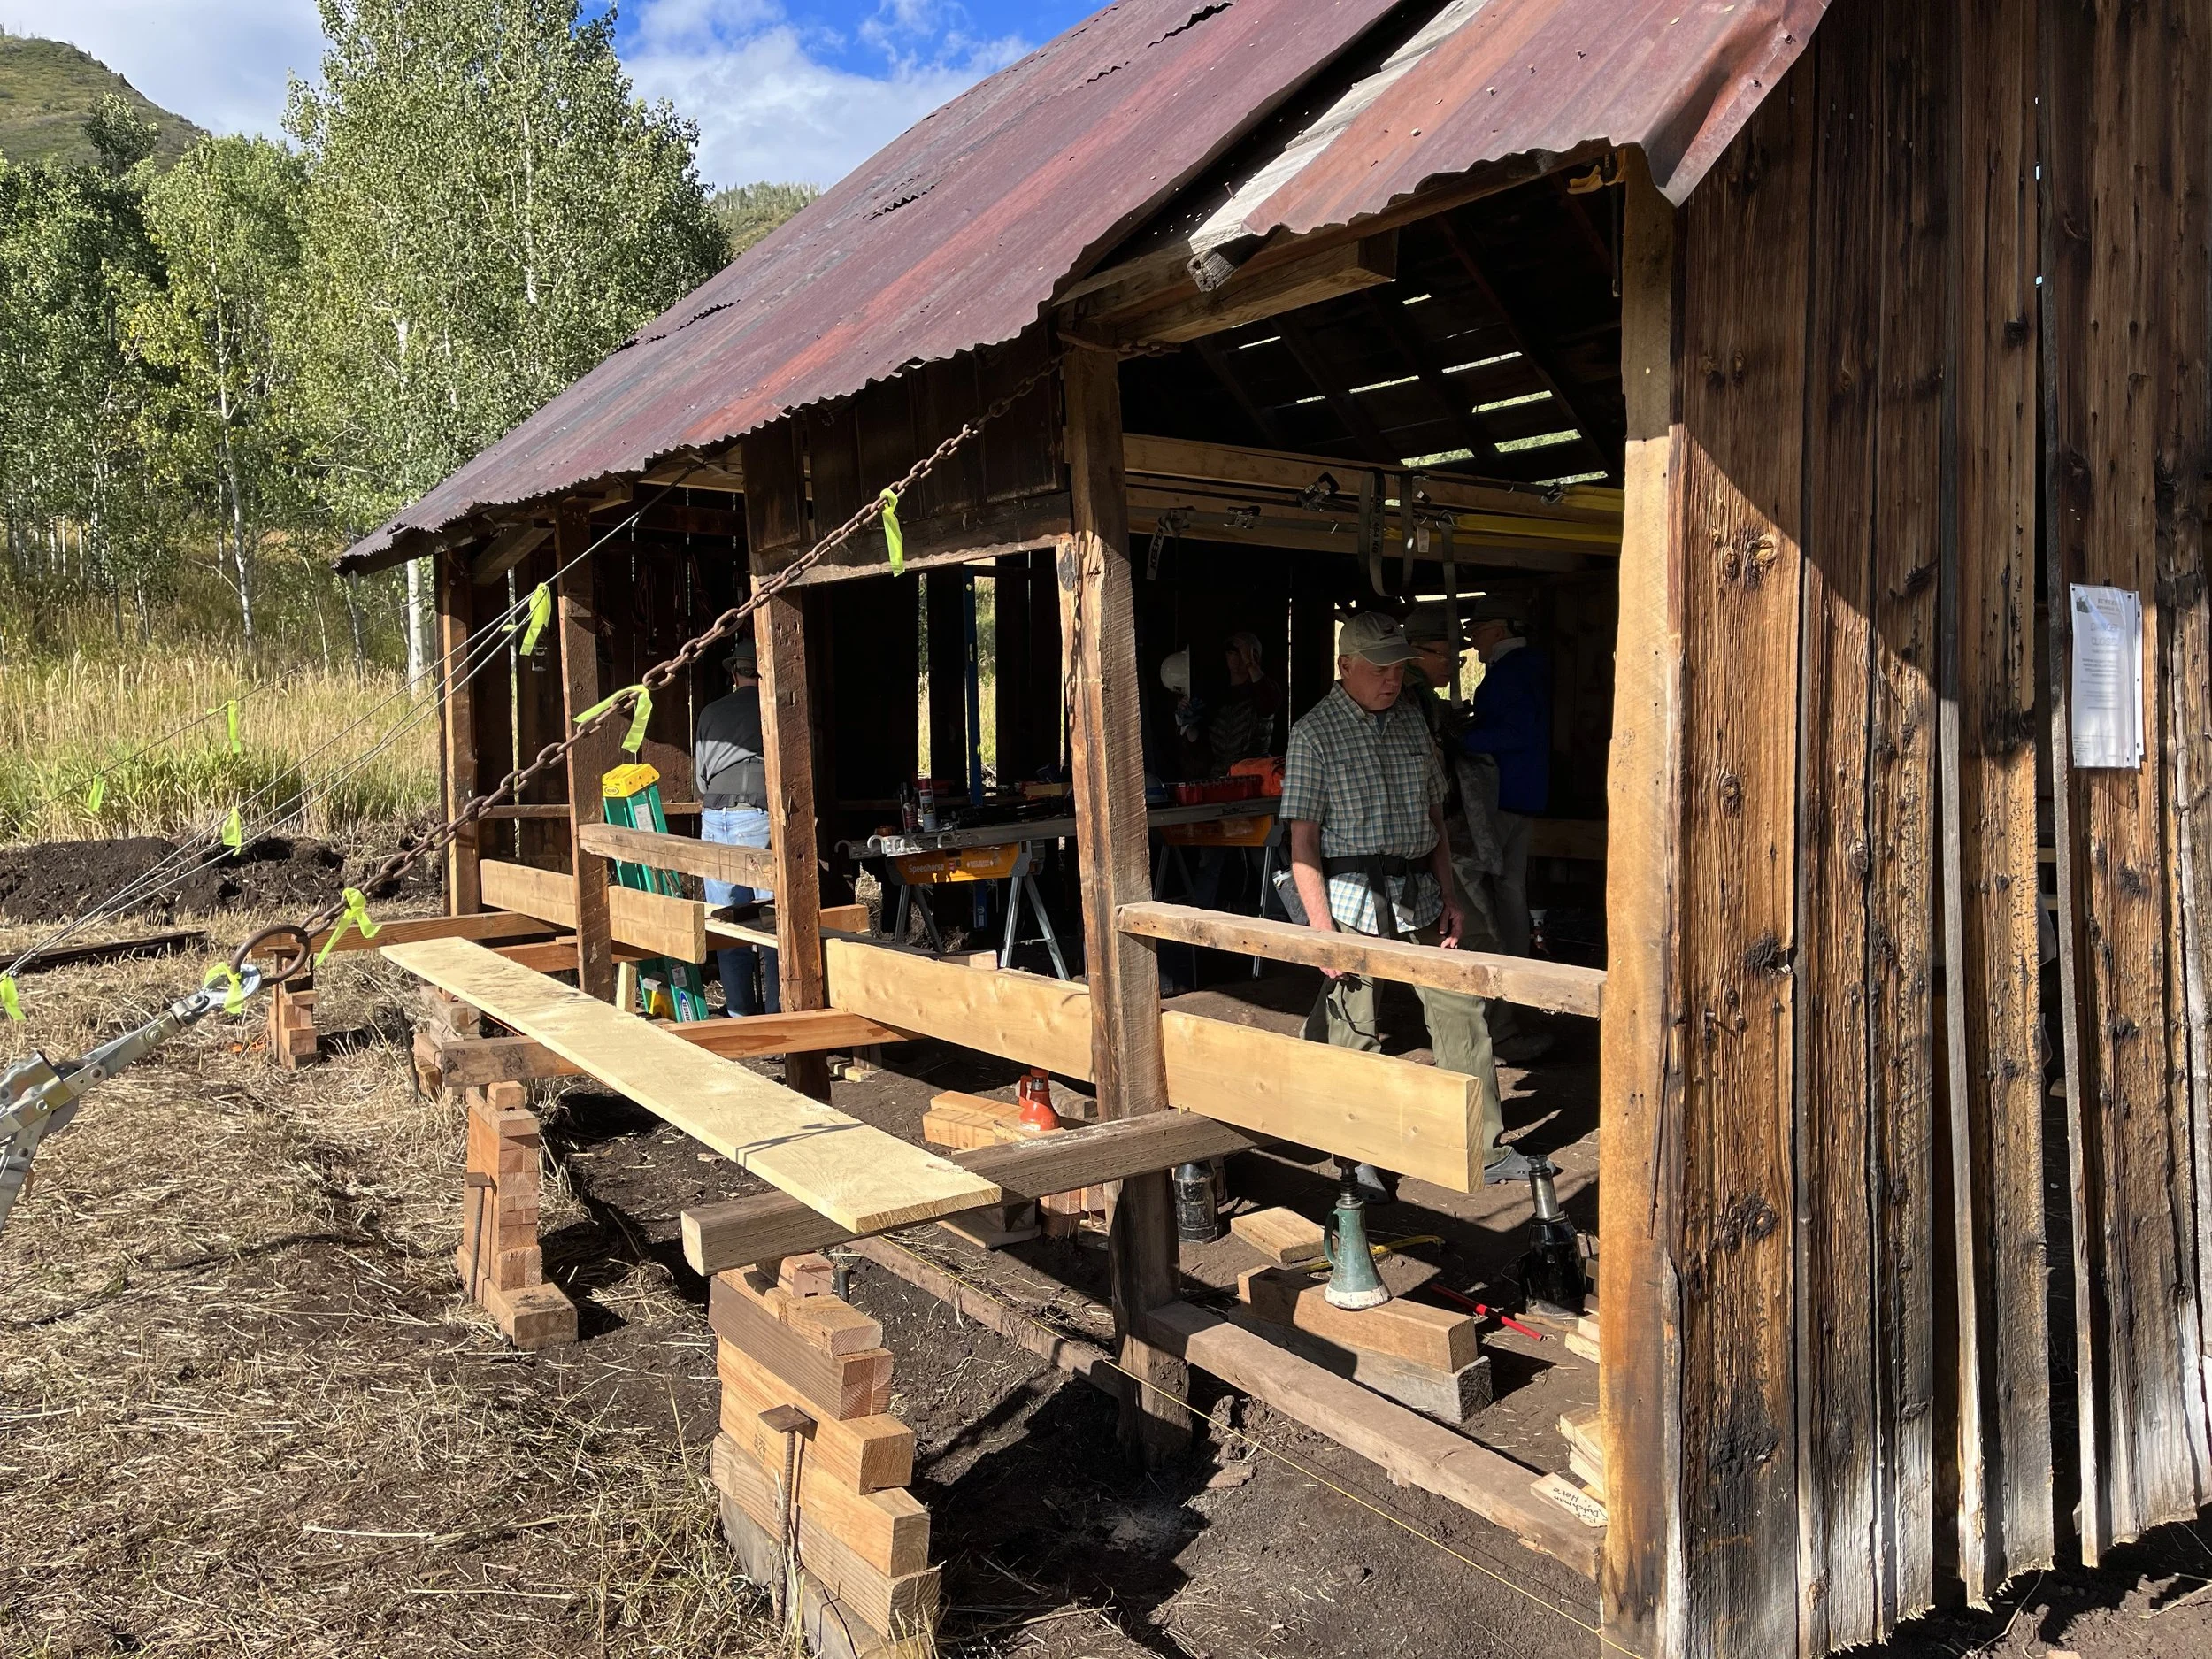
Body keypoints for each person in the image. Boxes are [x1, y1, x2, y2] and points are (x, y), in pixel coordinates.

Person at [1281, 611, 1525, 1187]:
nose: (1392, 680)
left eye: (1399, 668)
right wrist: (1322, 931)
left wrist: (1450, 892)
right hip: (1351, 895)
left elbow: (1435, 815)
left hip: (1418, 888)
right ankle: (1355, 1152)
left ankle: (1482, 1148)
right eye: (1380, 669)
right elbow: (1303, 841)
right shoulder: (1314, 733)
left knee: (1460, 1008)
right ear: (1345, 668)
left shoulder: (1413, 721)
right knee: (1354, 1022)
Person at [1458, 604, 1551, 960]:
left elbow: (1515, 732)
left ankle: (1485, 960)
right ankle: (1513, 964)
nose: (1472, 640)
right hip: (1525, 794)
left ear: (1498, 630)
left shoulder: (1512, 671)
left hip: (1500, 794)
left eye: (1477, 630)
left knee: (1476, 882)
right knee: (1511, 887)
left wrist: (1461, 740)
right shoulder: (1531, 666)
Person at [695, 636, 779, 1016]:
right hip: (756, 817)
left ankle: (740, 1014)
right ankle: (780, 1015)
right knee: (772, 920)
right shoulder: (774, 710)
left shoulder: (711, 712)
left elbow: (701, 779)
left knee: (727, 922)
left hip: (714, 818)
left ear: (735, 673)